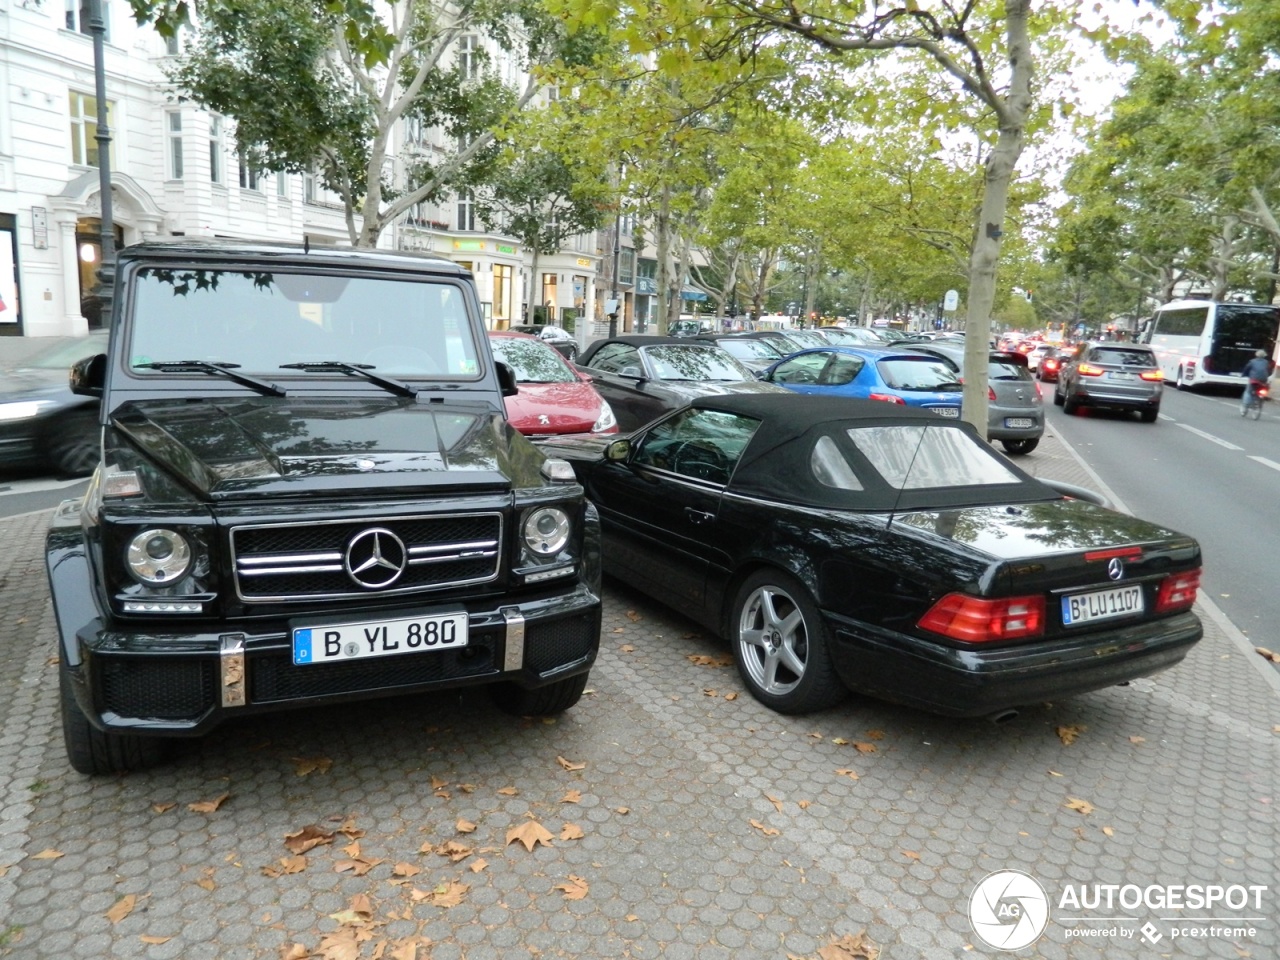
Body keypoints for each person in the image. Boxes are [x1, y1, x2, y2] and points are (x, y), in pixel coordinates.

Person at [1240, 348, 1271, 414]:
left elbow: (1246, 369)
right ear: (1264, 356)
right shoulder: (1266, 362)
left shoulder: (1252, 361)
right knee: (1263, 389)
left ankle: (1245, 407)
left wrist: (1243, 374)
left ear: (1256, 355)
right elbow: (1269, 370)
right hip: (1263, 380)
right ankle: (1260, 402)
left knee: (1248, 392)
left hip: (1254, 380)